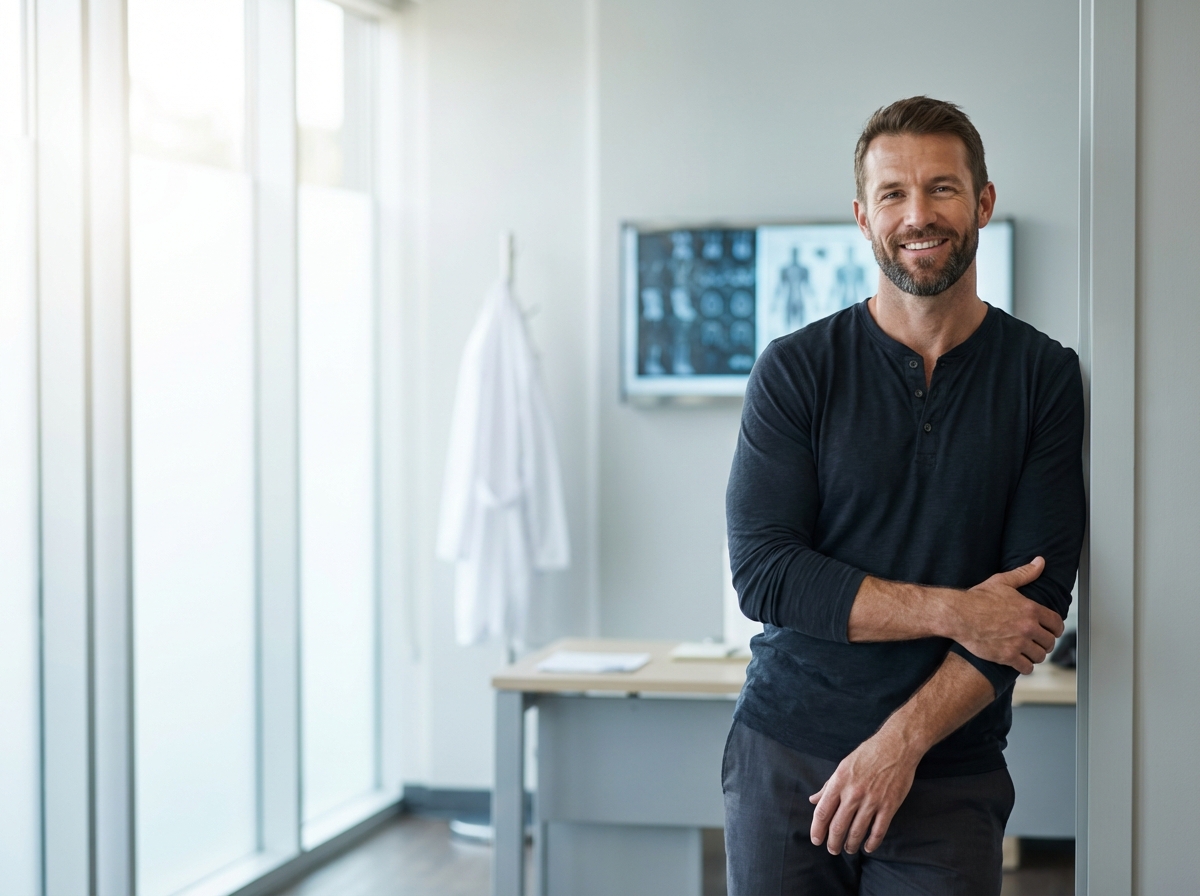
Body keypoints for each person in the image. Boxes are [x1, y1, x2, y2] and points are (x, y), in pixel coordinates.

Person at [722, 96, 1085, 895]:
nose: (918, 215)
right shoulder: (796, 370)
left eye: (941, 188)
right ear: (864, 217)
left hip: (948, 773)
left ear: (983, 201)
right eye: (893, 194)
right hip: (785, 756)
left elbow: (1031, 607)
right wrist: (957, 611)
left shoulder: (1043, 377)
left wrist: (899, 746)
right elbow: (766, 574)